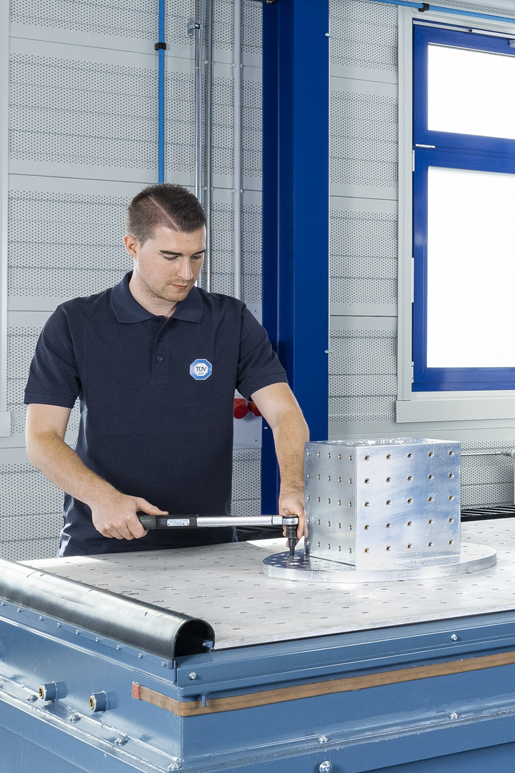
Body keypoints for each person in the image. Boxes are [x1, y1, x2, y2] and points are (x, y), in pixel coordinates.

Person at [24, 184, 310, 556]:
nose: (187, 273)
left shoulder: (231, 320)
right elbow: (42, 438)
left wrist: (293, 487)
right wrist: (101, 497)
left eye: (197, 256)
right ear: (132, 246)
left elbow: (285, 412)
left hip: (207, 546)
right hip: (102, 545)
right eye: (171, 256)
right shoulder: (74, 322)